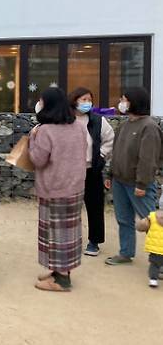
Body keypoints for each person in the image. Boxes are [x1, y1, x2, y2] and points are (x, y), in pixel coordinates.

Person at [29, 87, 87, 292]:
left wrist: (32, 138)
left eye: (42, 101)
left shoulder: (45, 130)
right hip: (75, 186)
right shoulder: (79, 126)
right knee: (69, 232)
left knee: (56, 234)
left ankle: (61, 280)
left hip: (54, 188)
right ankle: (60, 270)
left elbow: (37, 159)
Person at [105, 87, 162, 266]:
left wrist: (142, 184)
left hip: (138, 184)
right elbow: (116, 152)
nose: (122, 103)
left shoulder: (149, 127)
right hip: (120, 181)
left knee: (153, 222)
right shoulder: (125, 124)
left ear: (134, 101)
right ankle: (126, 252)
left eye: (125, 99)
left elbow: (148, 159)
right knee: (123, 219)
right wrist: (110, 173)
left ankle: (159, 259)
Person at [69, 87, 114, 257]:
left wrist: (101, 155)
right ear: (74, 100)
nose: (87, 103)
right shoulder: (66, 120)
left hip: (92, 169)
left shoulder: (98, 121)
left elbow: (109, 139)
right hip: (71, 171)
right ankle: (71, 240)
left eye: (89, 99)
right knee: (70, 207)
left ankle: (94, 241)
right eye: (83, 99)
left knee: (95, 206)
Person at [136, 205, 163, 288]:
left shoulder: (152, 217)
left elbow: (141, 226)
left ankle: (153, 280)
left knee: (154, 264)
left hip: (155, 248)